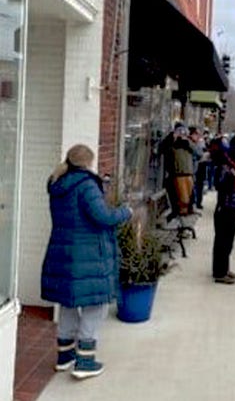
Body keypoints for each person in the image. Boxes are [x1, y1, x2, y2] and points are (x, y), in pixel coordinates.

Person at [41, 144, 132, 379]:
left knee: (69, 303)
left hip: (62, 252)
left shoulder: (58, 183)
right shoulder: (86, 185)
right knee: (95, 305)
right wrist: (125, 212)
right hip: (88, 255)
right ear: (88, 163)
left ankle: (65, 356)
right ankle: (84, 362)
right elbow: (103, 217)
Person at [212, 147, 235, 284]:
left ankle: (224, 268)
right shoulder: (227, 169)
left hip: (233, 209)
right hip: (225, 208)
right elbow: (221, 186)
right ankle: (219, 272)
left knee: (228, 242)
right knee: (222, 241)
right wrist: (233, 175)